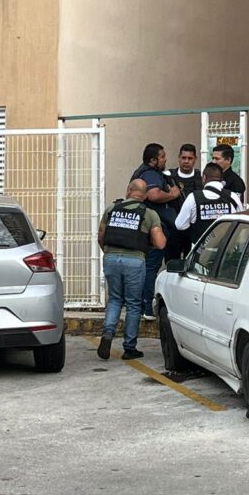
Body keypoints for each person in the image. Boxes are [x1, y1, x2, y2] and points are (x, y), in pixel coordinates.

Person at [97, 179, 166, 360]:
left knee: (115, 299)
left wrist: (109, 252)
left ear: (129, 190)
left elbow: (101, 235)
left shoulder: (112, 209)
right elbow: (160, 243)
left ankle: (108, 334)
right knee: (133, 304)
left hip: (111, 258)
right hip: (135, 260)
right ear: (145, 195)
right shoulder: (149, 214)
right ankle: (129, 348)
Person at [129, 143, 180, 320]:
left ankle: (140, 305)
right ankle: (147, 308)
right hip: (154, 228)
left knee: (146, 267)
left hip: (149, 227)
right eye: (162, 156)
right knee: (151, 267)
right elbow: (154, 195)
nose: (165, 159)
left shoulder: (145, 172)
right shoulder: (150, 174)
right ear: (153, 160)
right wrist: (173, 194)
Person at [175, 163, 242, 244]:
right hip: (226, 248)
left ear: (204, 178)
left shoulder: (193, 197)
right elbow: (241, 223)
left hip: (201, 250)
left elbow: (180, 225)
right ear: (222, 179)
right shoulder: (233, 196)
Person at [167, 143, 201, 260]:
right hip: (173, 228)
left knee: (192, 261)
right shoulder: (169, 177)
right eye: (183, 158)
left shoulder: (201, 178)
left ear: (195, 159)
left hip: (194, 229)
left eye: (190, 158)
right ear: (179, 158)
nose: (186, 161)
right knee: (171, 262)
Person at [212, 143, 247, 208]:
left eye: (217, 159)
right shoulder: (211, 178)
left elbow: (237, 207)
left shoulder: (236, 181)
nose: (213, 162)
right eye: (213, 158)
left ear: (228, 159)